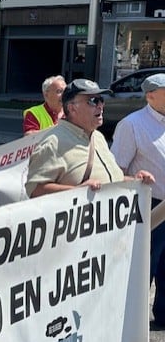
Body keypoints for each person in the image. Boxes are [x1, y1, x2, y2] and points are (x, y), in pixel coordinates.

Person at [25, 78, 154, 199]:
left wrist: (135, 181)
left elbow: (109, 180)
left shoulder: (98, 137)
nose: (100, 106)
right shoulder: (52, 143)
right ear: (72, 108)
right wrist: (77, 192)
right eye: (93, 101)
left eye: (101, 99)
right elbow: (34, 190)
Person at [110, 74, 165, 327]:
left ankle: (163, 315)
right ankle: (131, 322)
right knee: (145, 265)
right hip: (149, 205)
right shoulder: (132, 125)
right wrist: (135, 178)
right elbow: (114, 169)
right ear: (150, 95)